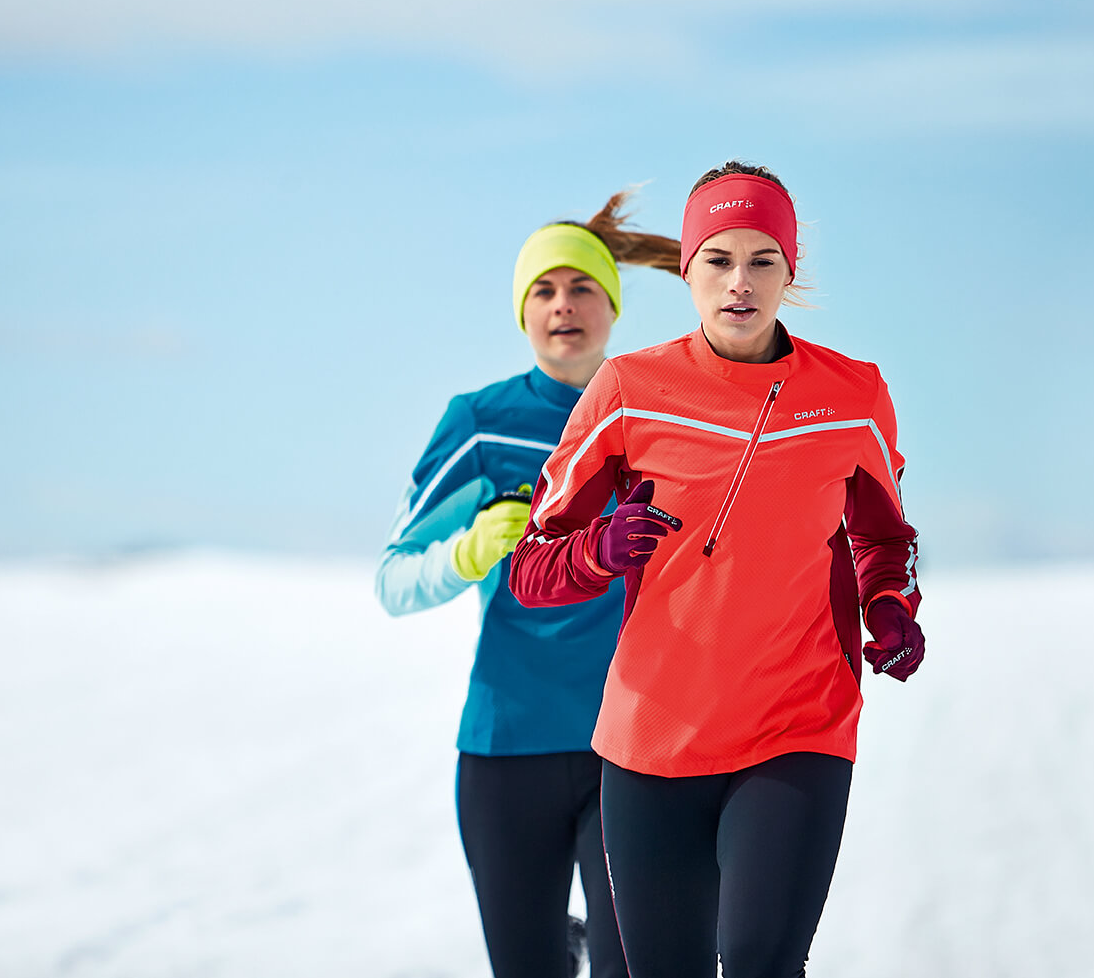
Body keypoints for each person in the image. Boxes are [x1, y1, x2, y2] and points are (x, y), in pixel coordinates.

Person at [509, 162, 927, 978]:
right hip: (652, 742)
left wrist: (888, 606)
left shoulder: (851, 394)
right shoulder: (628, 390)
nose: (740, 282)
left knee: (763, 958)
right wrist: (597, 550)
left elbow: (883, 536)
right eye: (718, 259)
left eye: (762, 260)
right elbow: (531, 566)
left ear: (789, 270)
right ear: (688, 269)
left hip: (796, 726)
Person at [375, 193, 681, 978]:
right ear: (521, 312)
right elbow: (394, 578)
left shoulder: (662, 417)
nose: (562, 305)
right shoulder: (479, 423)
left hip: (631, 746)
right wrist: (468, 552)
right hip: (505, 749)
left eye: (580, 288)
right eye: (542, 290)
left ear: (611, 304)